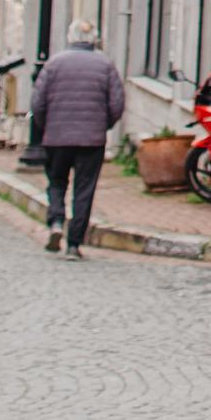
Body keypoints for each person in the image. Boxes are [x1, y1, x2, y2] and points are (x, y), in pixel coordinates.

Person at [28, 20, 126, 258]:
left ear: (70, 37)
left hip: (57, 137)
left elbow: (37, 102)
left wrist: (46, 126)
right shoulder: (105, 65)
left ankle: (56, 221)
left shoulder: (54, 63)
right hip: (91, 139)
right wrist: (103, 125)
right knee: (84, 189)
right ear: (94, 39)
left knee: (57, 181)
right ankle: (74, 244)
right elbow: (117, 103)